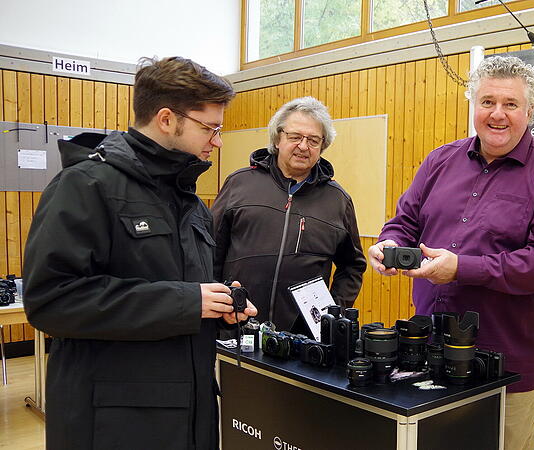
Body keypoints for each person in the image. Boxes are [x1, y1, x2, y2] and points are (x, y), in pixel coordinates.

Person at [23, 57, 257, 450]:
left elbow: (183, 297)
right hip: (116, 425)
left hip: (189, 416)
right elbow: (51, 300)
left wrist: (218, 308)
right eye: (210, 128)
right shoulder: (85, 186)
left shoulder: (191, 203)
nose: (217, 141)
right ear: (166, 119)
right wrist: (188, 302)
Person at [367, 55, 534, 450]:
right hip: (433, 350)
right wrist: (390, 244)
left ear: (530, 111)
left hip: (512, 366)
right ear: (473, 105)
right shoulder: (440, 161)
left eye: (510, 104)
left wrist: (461, 269)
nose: (497, 114)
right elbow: (404, 220)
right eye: (487, 102)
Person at [212, 96, 366, 335]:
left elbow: (352, 266)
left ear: (322, 146)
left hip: (302, 338)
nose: (303, 146)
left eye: (313, 140)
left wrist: (334, 313)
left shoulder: (338, 200)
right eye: (295, 137)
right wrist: (219, 304)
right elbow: (210, 249)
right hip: (235, 325)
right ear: (277, 138)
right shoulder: (239, 184)